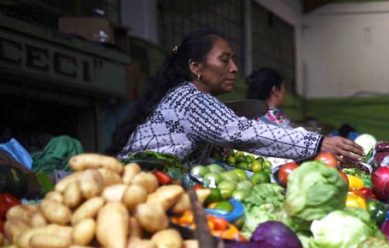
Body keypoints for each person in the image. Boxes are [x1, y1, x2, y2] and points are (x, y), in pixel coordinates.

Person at [109, 29, 362, 164]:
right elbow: (244, 132)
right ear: (196, 67)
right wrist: (318, 143)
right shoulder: (192, 100)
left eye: (233, 59)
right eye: (225, 59)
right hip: (137, 191)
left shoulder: (181, 94)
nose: (234, 68)